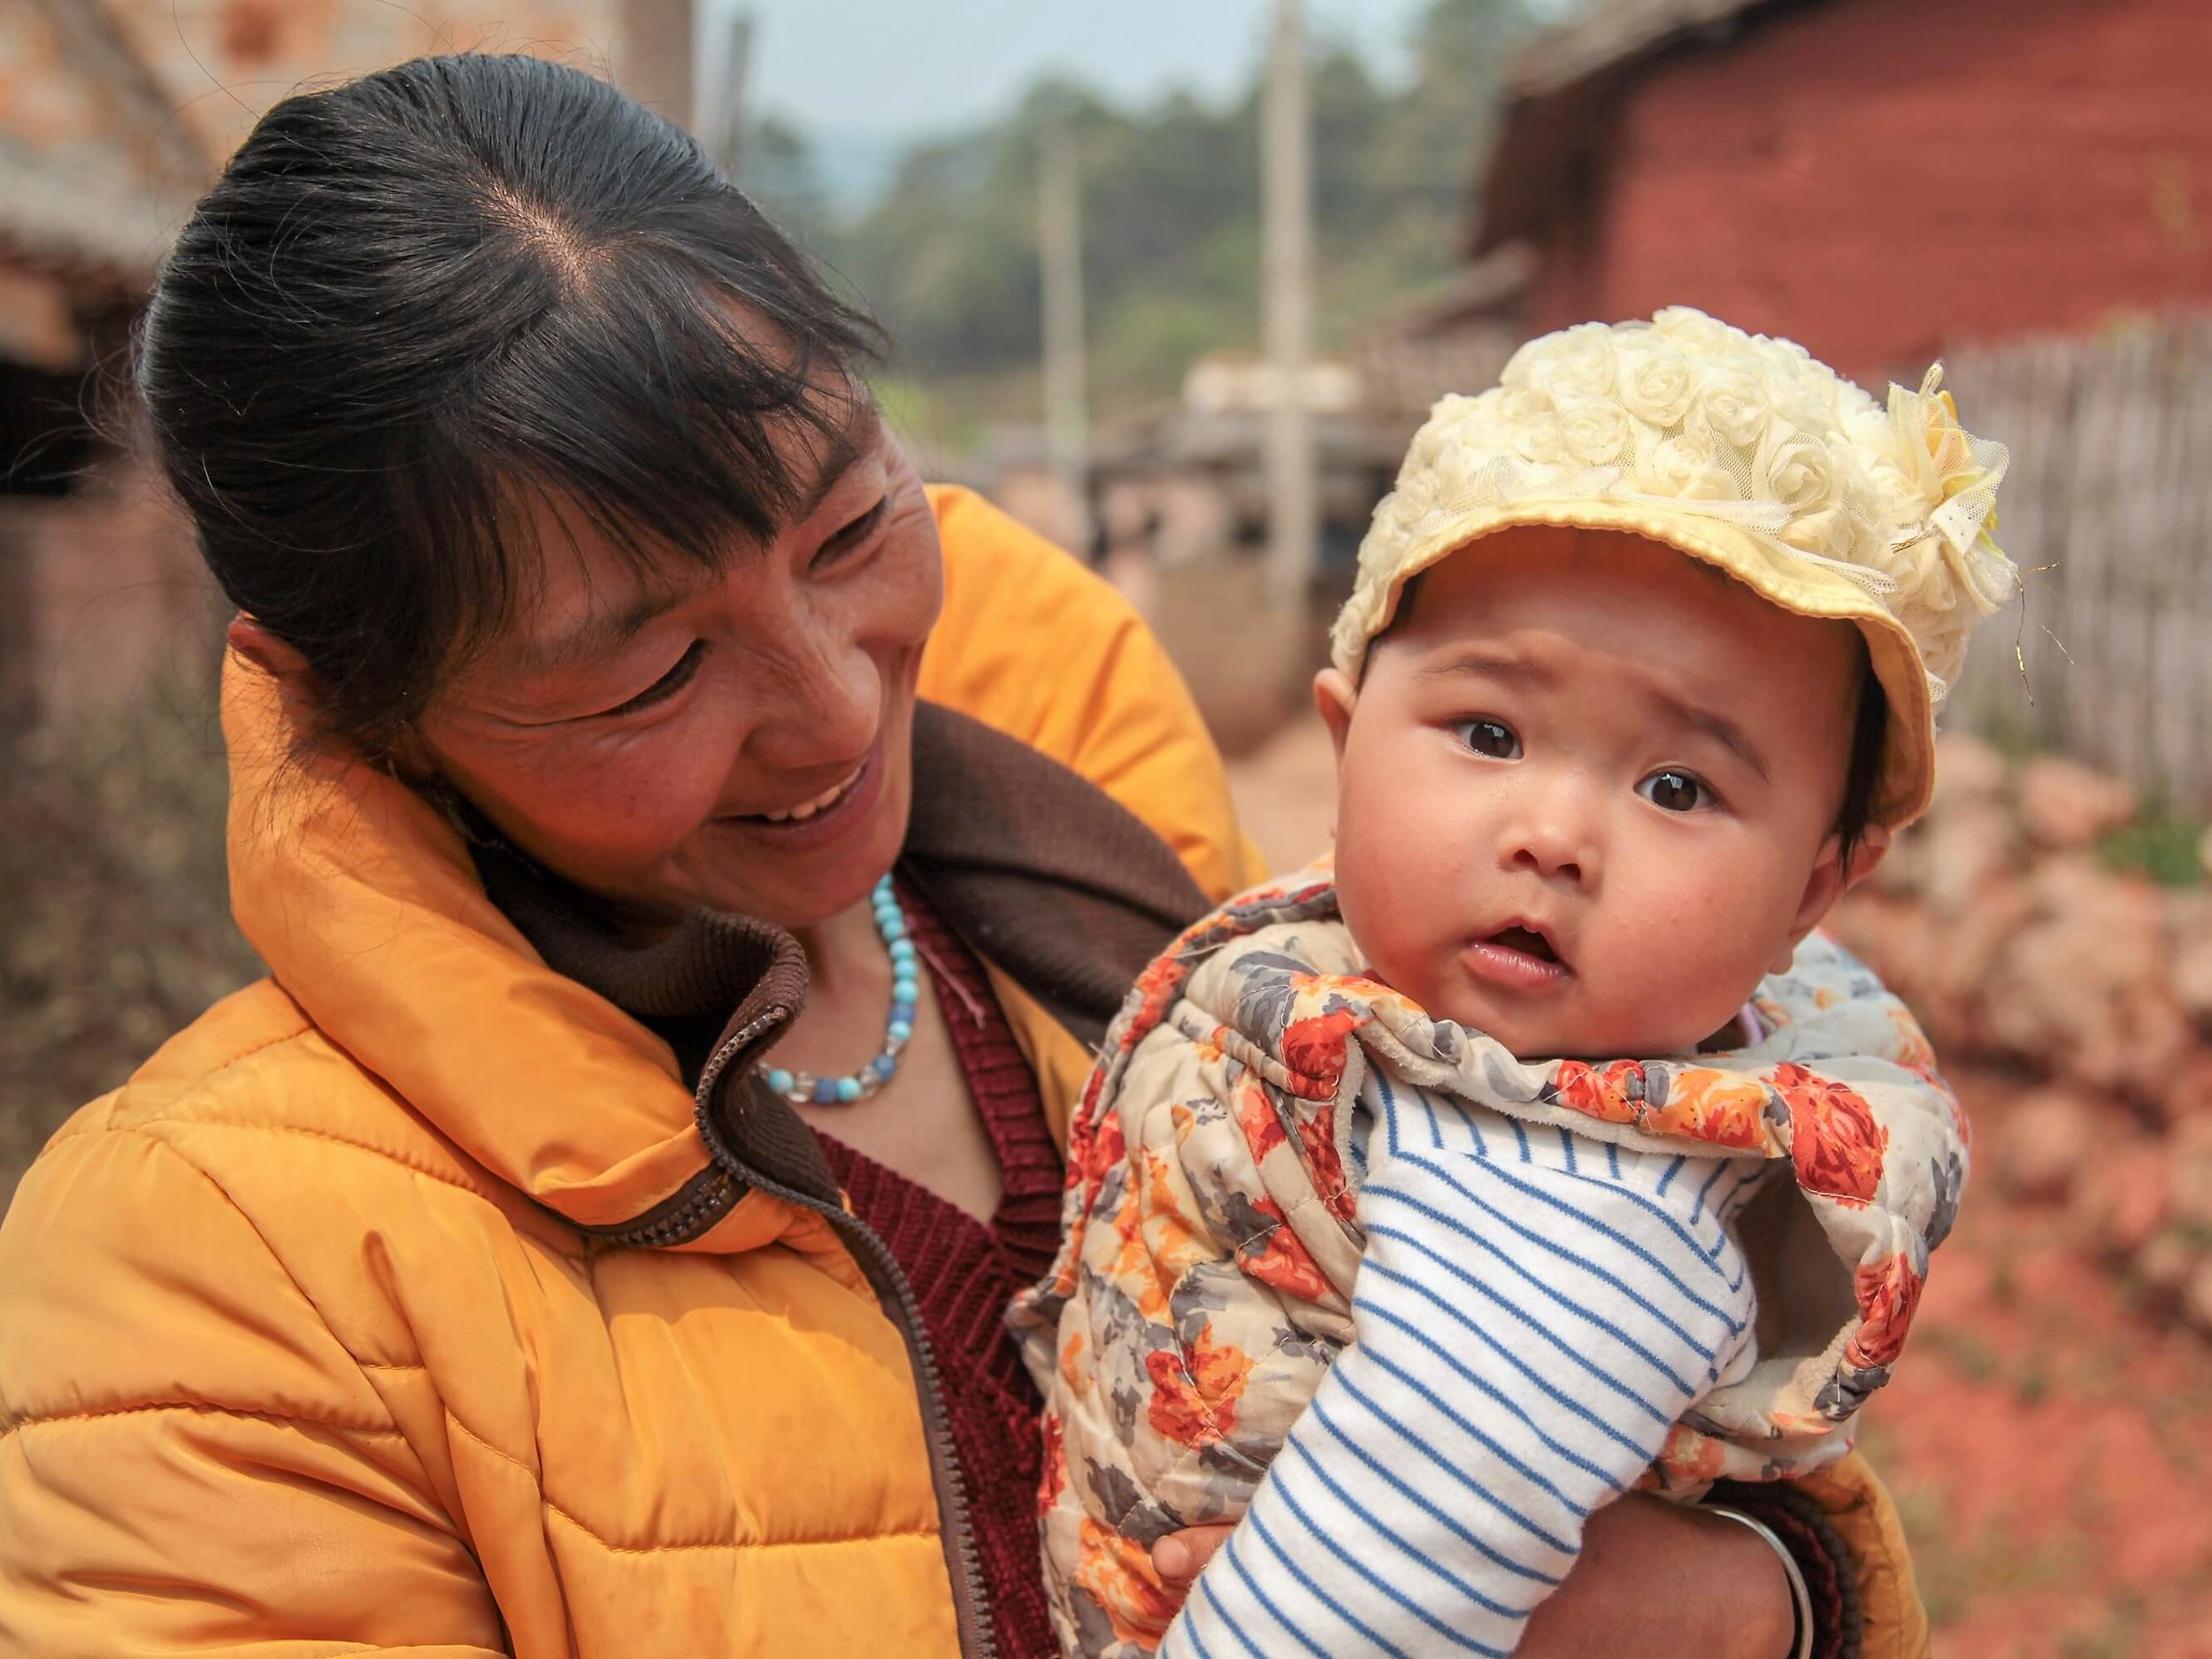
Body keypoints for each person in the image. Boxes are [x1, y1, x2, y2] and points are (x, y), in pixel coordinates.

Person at [0, 57, 1915, 1659]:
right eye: (654, 666)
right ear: (368, 702)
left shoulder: (1110, 827)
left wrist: (1758, 1593)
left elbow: (1696, 1452)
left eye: (848, 528)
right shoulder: (214, 1278)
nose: (838, 710)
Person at [1019, 310, 2008, 1658]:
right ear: (1345, 737)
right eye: (1489, 732)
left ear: (1811, 896)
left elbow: (1371, 1594)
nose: (1553, 832)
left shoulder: (1582, 1205)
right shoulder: (1390, 1000)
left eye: (1678, 787)